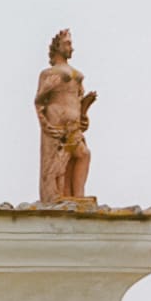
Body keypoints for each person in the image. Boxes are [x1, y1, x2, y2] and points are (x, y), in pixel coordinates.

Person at [35, 29, 96, 204]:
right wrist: (46, 123)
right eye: (68, 43)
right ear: (57, 47)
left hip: (73, 125)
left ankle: (78, 196)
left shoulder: (77, 75)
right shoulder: (48, 73)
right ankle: (58, 196)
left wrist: (85, 107)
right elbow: (39, 101)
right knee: (59, 164)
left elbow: (76, 101)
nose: (71, 48)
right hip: (57, 123)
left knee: (83, 155)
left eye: (71, 43)